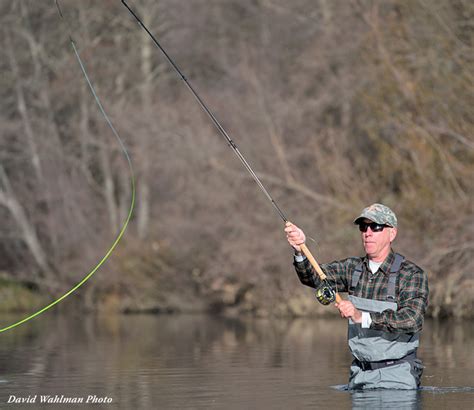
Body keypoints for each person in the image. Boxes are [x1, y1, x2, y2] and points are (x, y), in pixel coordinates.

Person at [285, 203, 429, 390]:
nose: (368, 232)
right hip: (359, 378)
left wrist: (362, 316)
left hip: (399, 378)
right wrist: (300, 250)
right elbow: (313, 277)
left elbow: (412, 319)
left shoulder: (412, 274)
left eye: (375, 227)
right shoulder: (352, 269)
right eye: (363, 227)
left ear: (392, 233)